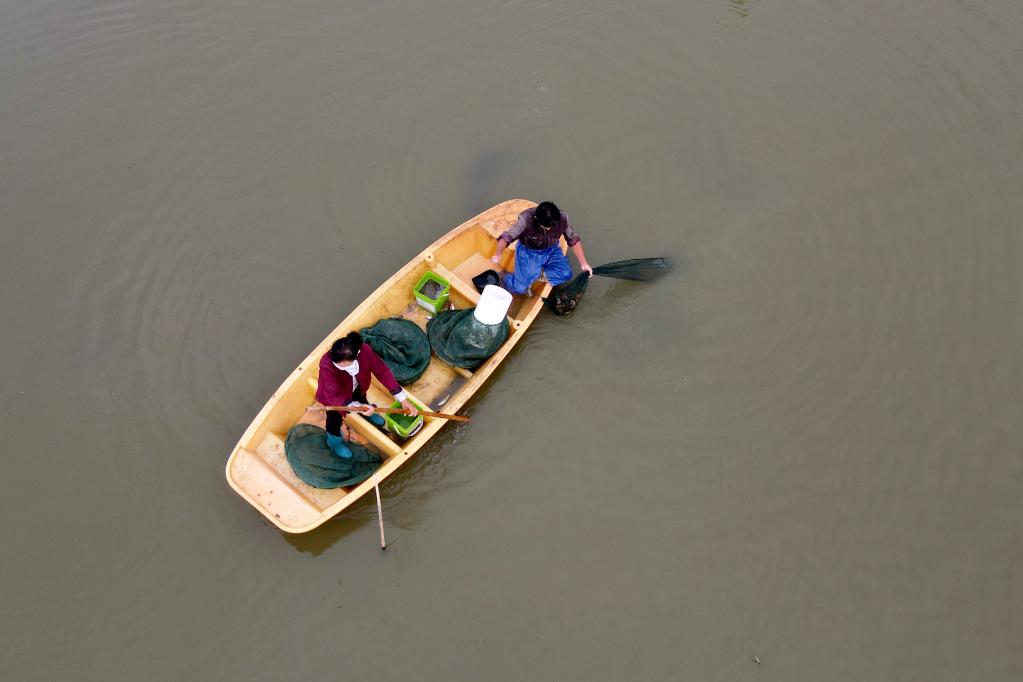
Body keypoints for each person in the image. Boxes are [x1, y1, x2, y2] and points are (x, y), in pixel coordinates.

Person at [315, 332, 419, 443]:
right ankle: (334, 441)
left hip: (358, 387)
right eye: (340, 365)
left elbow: (382, 371)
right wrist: (356, 406)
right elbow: (333, 392)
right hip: (334, 399)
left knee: (362, 399)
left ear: (357, 354)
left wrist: (403, 399)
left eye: (346, 365)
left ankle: (366, 412)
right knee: (334, 420)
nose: (343, 368)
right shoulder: (326, 364)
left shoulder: (365, 350)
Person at [492, 201, 593, 295]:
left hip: (551, 250)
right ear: (536, 219)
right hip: (529, 253)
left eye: (552, 226)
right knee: (519, 288)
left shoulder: (562, 219)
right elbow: (506, 238)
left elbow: (573, 240)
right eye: (546, 227)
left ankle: (536, 274)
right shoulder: (525, 220)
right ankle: (505, 277)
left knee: (566, 273)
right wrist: (498, 254)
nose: (549, 229)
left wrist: (583, 263)